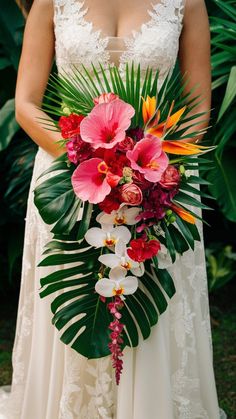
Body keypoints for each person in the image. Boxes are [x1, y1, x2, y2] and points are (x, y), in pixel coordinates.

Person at [0, 0, 226, 418]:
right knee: (77, 297)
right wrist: (84, 164)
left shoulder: (187, 2)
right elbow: (27, 103)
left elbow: (197, 108)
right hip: (69, 181)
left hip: (159, 183)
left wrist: (152, 173)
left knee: (151, 308)